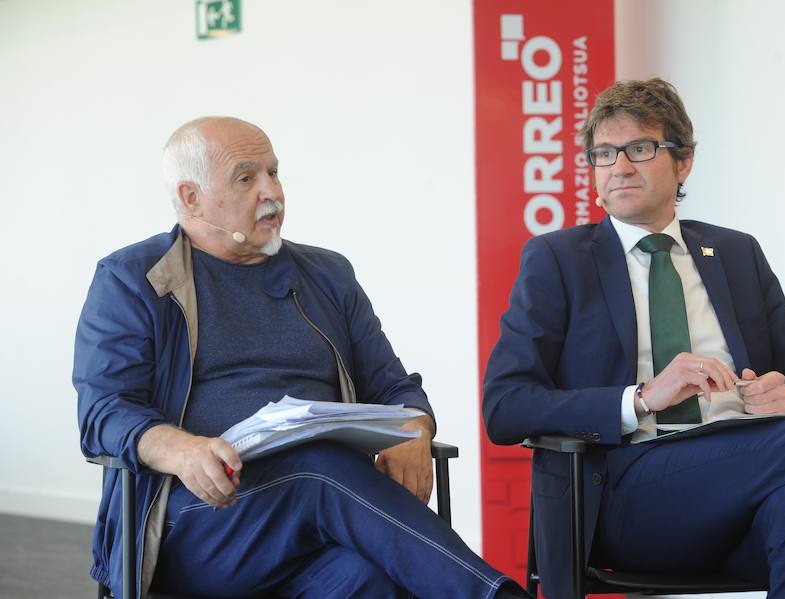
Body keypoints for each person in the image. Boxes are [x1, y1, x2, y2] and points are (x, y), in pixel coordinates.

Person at [74, 116, 531, 599]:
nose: (272, 191)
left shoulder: (327, 274)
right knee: (317, 468)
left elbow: (394, 387)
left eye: (274, 172)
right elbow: (104, 412)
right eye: (247, 178)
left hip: (317, 523)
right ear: (191, 197)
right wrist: (181, 450)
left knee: (373, 582)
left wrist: (413, 428)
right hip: (202, 518)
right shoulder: (133, 278)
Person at [482, 78, 785, 599]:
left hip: (743, 497)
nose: (621, 167)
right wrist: (639, 399)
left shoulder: (736, 254)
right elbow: (505, 406)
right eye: (605, 153)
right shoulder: (558, 260)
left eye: (640, 148)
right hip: (628, 497)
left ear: (683, 163)